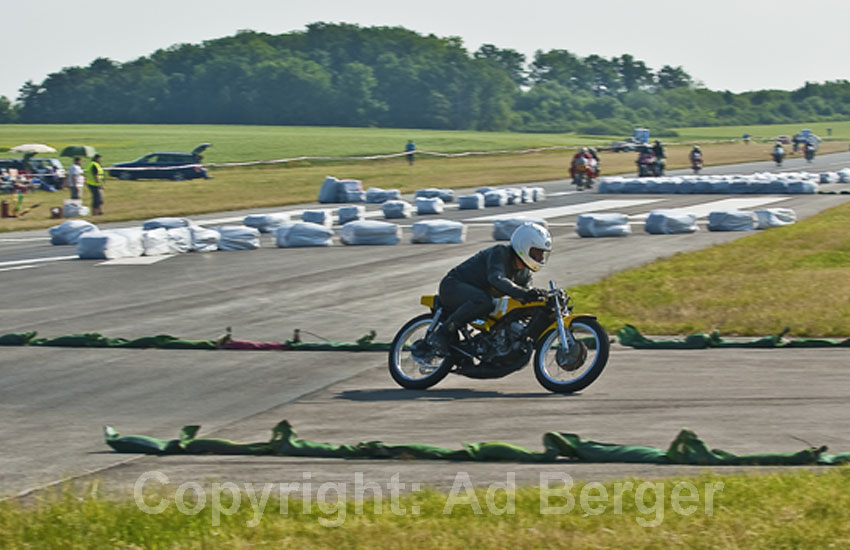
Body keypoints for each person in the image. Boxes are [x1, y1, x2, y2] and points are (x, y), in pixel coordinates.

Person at [426, 223, 552, 355]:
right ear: (524, 245)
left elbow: (523, 296)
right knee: (484, 301)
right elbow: (496, 278)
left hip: (478, 295)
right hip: (453, 286)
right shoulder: (500, 253)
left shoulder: (525, 273)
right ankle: (442, 333)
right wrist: (524, 293)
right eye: (537, 252)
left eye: (542, 253)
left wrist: (535, 297)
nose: (540, 257)